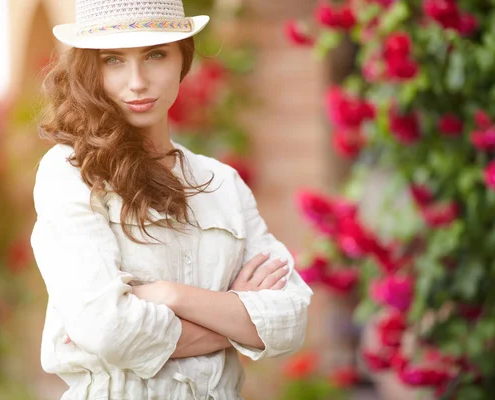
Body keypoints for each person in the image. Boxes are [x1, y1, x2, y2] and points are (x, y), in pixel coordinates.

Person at [30, 0, 314, 399]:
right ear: (91, 70)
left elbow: (291, 318)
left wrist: (171, 294)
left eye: (156, 55)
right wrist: (236, 317)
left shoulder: (222, 182)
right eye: (113, 60)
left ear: (183, 57)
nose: (137, 81)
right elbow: (108, 330)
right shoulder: (71, 173)